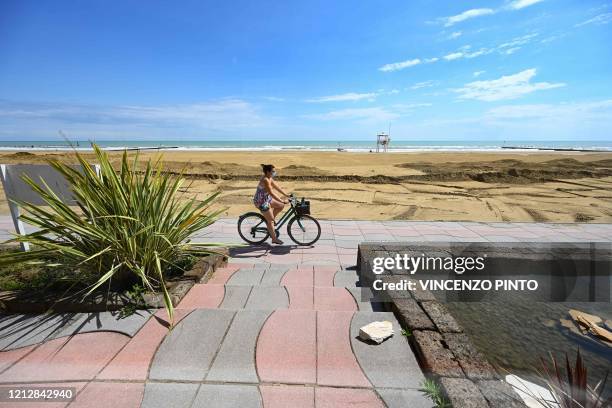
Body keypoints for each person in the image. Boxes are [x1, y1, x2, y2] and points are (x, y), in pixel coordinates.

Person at [253, 164, 290, 244]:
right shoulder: (265, 179)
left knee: (280, 206)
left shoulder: (270, 178)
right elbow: (271, 193)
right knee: (271, 221)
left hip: (267, 199)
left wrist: (286, 195)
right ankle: (274, 239)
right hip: (261, 201)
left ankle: (270, 220)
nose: (274, 172)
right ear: (267, 172)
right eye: (273, 171)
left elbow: (276, 187)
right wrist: (281, 200)